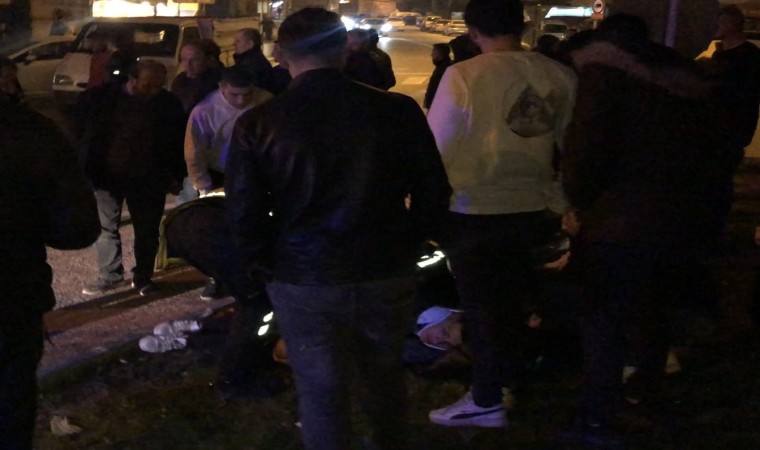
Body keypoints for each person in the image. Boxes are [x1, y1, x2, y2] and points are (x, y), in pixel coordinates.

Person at [225, 7, 452, 449]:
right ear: (343, 50)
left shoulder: (260, 122)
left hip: (304, 275)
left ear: (281, 55)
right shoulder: (396, 110)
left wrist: (262, 265)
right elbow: (433, 192)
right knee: (384, 378)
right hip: (383, 267)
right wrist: (408, 244)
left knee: (321, 391)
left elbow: (243, 212)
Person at [558, 13, 736, 447]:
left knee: (604, 319)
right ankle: (646, 396)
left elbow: (587, 150)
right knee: (653, 312)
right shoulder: (687, 80)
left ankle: (598, 418)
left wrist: (578, 203)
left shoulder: (604, 74)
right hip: (680, 218)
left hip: (619, 219)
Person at [426, 0, 577, 428]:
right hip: (534, 207)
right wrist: (562, 201)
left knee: (482, 308)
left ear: (473, 31)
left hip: (474, 209)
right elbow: (570, 147)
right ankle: (505, 379)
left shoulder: (463, 75)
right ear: (523, 26)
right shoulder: (559, 74)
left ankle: (487, 399)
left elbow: (437, 148)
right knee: (512, 301)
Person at [1, 95, 99, 450]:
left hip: (14, 295)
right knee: (9, 403)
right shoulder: (30, 131)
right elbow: (77, 228)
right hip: (12, 296)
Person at [77, 60, 186, 297]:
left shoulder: (167, 104)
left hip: (149, 177)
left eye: (159, 86)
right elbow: (83, 130)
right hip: (107, 175)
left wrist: (176, 175)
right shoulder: (103, 99)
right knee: (106, 227)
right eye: (148, 86)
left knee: (147, 230)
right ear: (132, 80)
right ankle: (110, 275)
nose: (153, 91)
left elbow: (176, 143)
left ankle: (143, 276)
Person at [185, 67, 273, 300]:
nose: (242, 100)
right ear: (222, 88)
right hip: (220, 175)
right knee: (218, 230)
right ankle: (217, 278)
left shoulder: (266, 102)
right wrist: (202, 185)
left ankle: (256, 275)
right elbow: (194, 152)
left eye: (247, 94)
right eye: (235, 94)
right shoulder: (205, 111)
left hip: (255, 173)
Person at [703, 5, 760, 234]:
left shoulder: (748, 58)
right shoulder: (723, 55)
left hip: (732, 126)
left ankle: (716, 227)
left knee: (719, 179)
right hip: (719, 126)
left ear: (729, 25)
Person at [171, 41, 222, 114]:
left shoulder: (218, 83)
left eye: (195, 60)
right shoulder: (181, 79)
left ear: (210, 60)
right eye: (184, 59)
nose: (187, 64)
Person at [233, 28, 274, 93]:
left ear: (250, 44)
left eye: (238, 41)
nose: (233, 44)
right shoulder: (249, 60)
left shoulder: (251, 65)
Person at [423, 43, 451, 110]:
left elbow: (433, 89)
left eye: (434, 52)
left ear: (440, 54)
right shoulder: (445, 66)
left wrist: (429, 105)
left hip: (437, 106)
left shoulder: (442, 69)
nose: (432, 54)